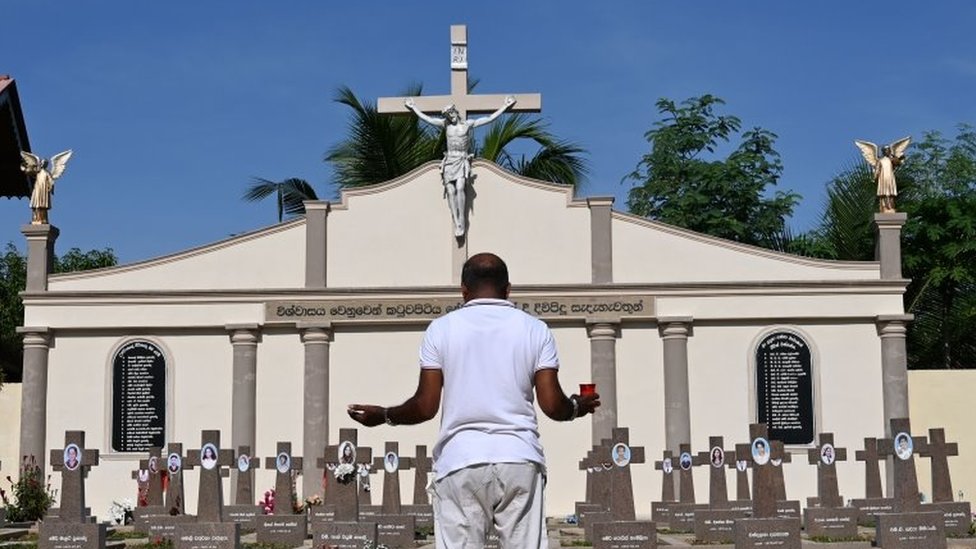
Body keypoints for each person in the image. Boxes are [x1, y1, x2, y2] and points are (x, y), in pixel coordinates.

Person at [348, 252, 600, 549]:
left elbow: (426, 406)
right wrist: (575, 408)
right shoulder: (535, 330)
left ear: (463, 290)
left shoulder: (441, 330)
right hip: (518, 457)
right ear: (508, 289)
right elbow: (551, 405)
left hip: (460, 460)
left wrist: (386, 415)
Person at [405, 97, 516, 237]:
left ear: (455, 112)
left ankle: (462, 220)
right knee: (450, 191)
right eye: (447, 115)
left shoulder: (467, 124)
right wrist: (414, 107)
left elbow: (488, 119)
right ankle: (456, 220)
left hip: (462, 159)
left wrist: (504, 106)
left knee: (460, 187)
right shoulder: (446, 125)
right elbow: (428, 119)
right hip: (450, 160)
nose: (450, 116)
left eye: (451, 113)